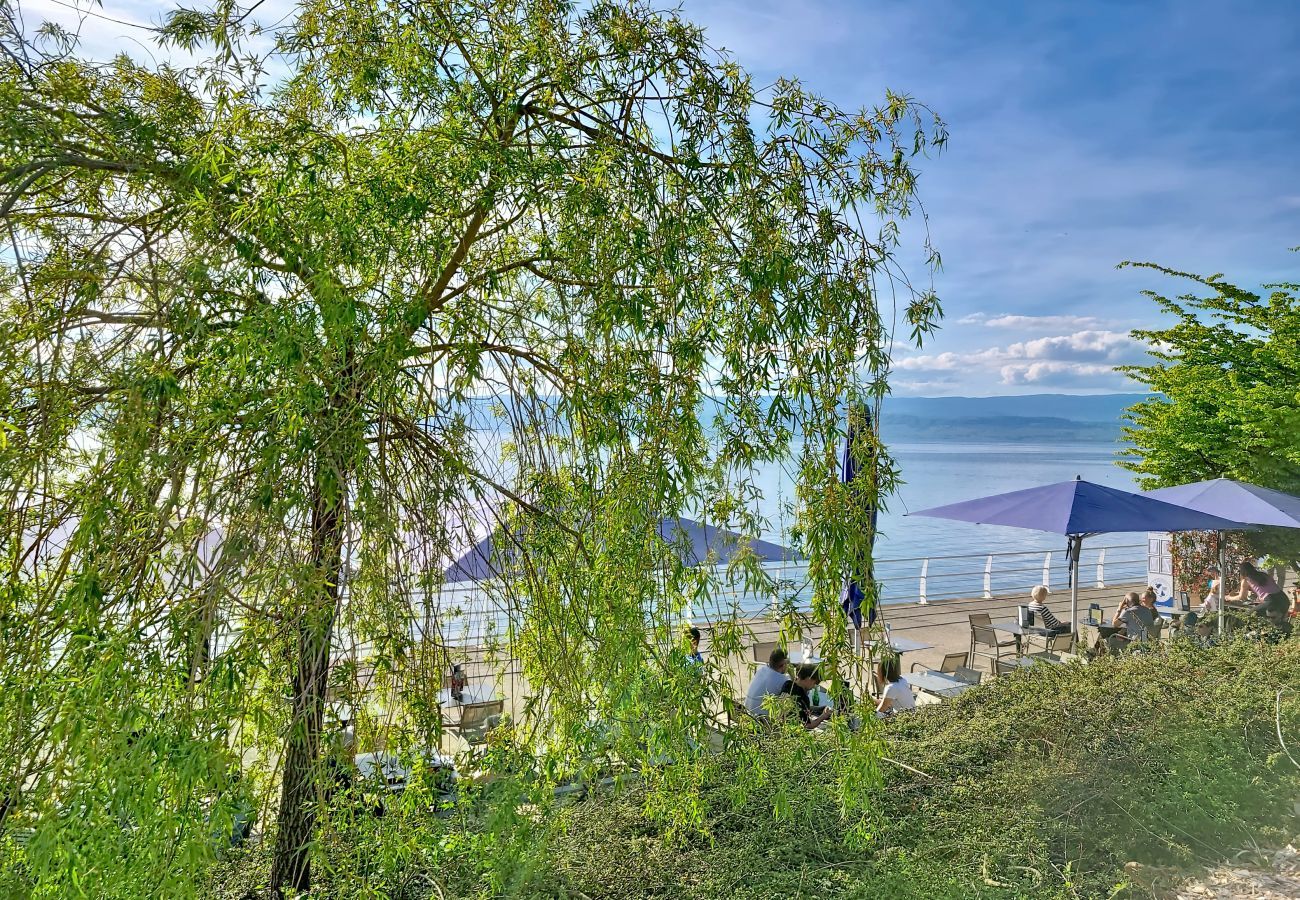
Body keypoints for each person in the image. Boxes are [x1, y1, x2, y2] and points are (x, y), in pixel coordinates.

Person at [778, 663, 832, 729]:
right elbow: (808, 725)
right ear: (808, 678)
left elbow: (802, 710)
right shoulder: (802, 697)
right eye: (816, 682)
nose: (815, 686)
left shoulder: (788, 685)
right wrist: (824, 716)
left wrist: (819, 709)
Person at [745, 647, 790, 718]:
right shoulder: (783, 681)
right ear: (784, 664)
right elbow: (794, 695)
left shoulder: (761, 670)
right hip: (762, 721)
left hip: (748, 714)